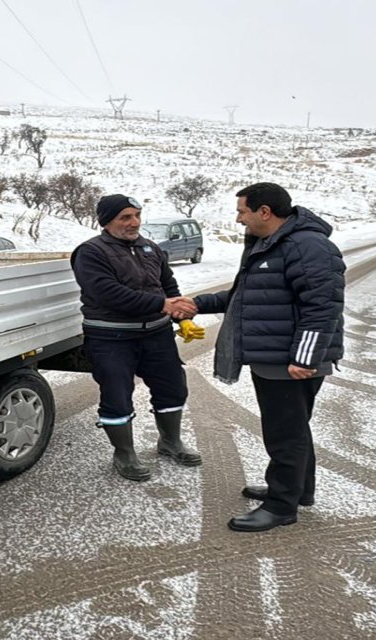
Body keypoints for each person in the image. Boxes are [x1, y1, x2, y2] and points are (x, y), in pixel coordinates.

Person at [191, 182, 345, 532]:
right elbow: (245, 296)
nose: (238, 218)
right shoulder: (271, 244)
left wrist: (304, 358)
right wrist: (198, 304)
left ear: (265, 211)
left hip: (290, 361)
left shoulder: (308, 246)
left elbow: (323, 308)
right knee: (293, 428)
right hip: (277, 356)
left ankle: (280, 506)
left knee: (283, 433)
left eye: (242, 211)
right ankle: (297, 491)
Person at [70, 194, 205, 481]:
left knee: (173, 388)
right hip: (111, 338)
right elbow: (107, 292)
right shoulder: (91, 252)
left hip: (157, 334)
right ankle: (124, 454)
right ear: (106, 222)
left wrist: (184, 316)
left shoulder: (150, 248)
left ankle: (170, 441)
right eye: (125, 217)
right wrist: (161, 305)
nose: (134, 223)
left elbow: (168, 285)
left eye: (137, 215)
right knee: (117, 396)